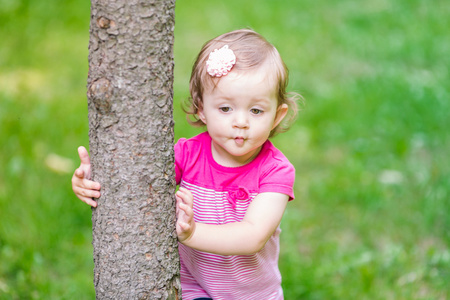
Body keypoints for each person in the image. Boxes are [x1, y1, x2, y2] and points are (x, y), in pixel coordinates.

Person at [72, 29, 301, 300]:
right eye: (226, 108)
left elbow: (253, 236)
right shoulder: (187, 154)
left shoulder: (275, 171)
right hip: (195, 288)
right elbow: (134, 183)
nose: (241, 121)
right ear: (201, 107)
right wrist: (94, 180)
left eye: (256, 110)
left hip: (253, 295)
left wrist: (193, 233)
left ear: (277, 115)